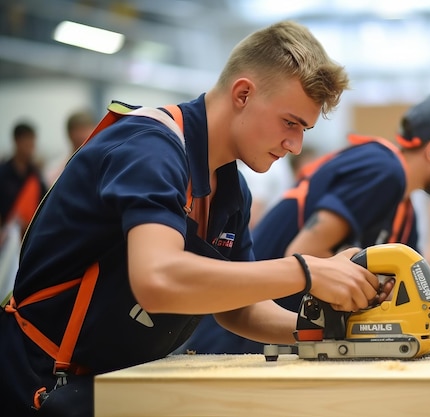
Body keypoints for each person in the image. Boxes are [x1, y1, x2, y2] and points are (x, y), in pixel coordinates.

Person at [0, 21, 389, 417]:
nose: (296, 144)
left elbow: (241, 309)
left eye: (304, 129)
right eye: (290, 122)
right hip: (39, 381)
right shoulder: (150, 149)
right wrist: (307, 272)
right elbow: (157, 279)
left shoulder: (231, 190)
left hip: (115, 385)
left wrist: (332, 335)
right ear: (243, 93)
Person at [180, 95, 430, 354]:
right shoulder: (383, 170)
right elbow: (305, 251)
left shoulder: (403, 211)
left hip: (289, 339)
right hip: (236, 342)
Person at [0, 121, 47, 235]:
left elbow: (44, 204)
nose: (30, 146)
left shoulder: (36, 174)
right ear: (16, 141)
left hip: (30, 234)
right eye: (26, 141)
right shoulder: (3, 172)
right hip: (6, 235)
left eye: (32, 141)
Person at [45, 109, 97, 186]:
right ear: (69, 134)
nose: (82, 135)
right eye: (78, 130)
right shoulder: (55, 169)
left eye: (85, 129)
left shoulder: (101, 163)